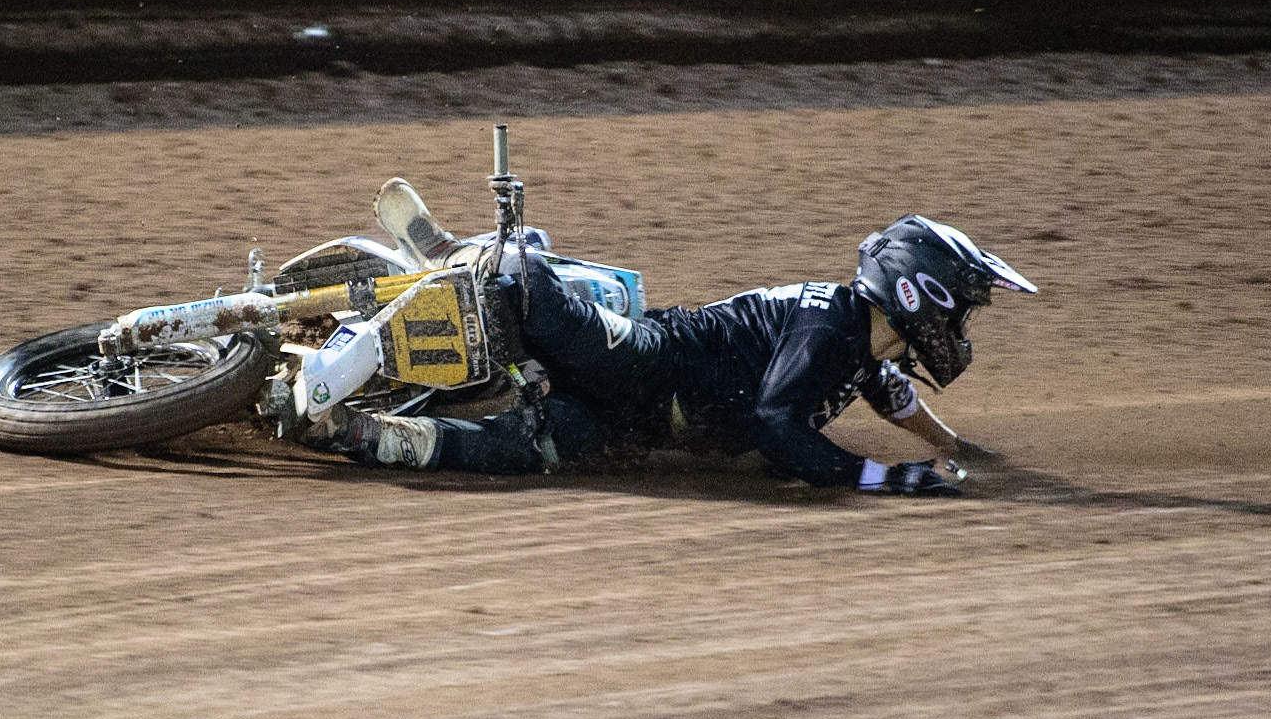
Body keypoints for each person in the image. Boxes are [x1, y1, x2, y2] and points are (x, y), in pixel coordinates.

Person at [303, 179, 1037, 497]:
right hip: (653, 360)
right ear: (920, 292)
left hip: (643, 420)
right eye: (961, 311)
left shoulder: (860, 344)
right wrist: (882, 478)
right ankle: (459, 259)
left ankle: (372, 435)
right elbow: (778, 424)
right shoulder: (830, 324)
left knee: (528, 452)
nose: (960, 331)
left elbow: (884, 391)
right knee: (533, 296)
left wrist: (954, 449)